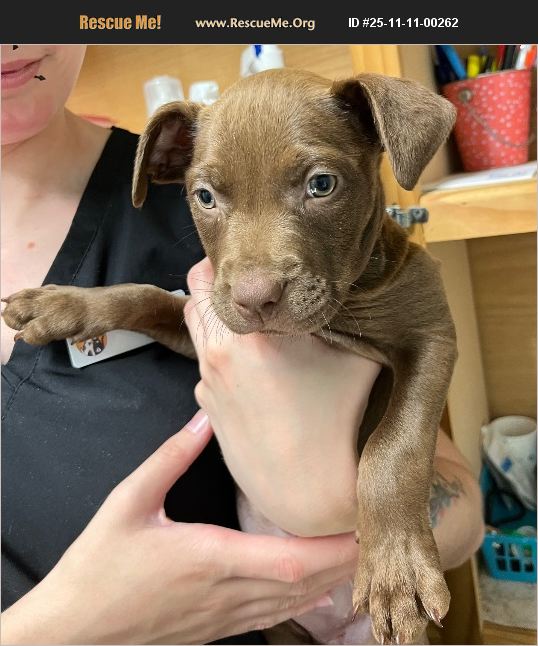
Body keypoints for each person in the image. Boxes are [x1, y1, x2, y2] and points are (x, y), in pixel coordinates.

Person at [1, 45, 484, 644]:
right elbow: (195, 325)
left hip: (367, 607)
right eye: (206, 197)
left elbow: (463, 507)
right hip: (273, 625)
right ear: (173, 166)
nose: (254, 285)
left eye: (320, 183)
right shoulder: (190, 173)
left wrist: (356, 498)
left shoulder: (398, 281)